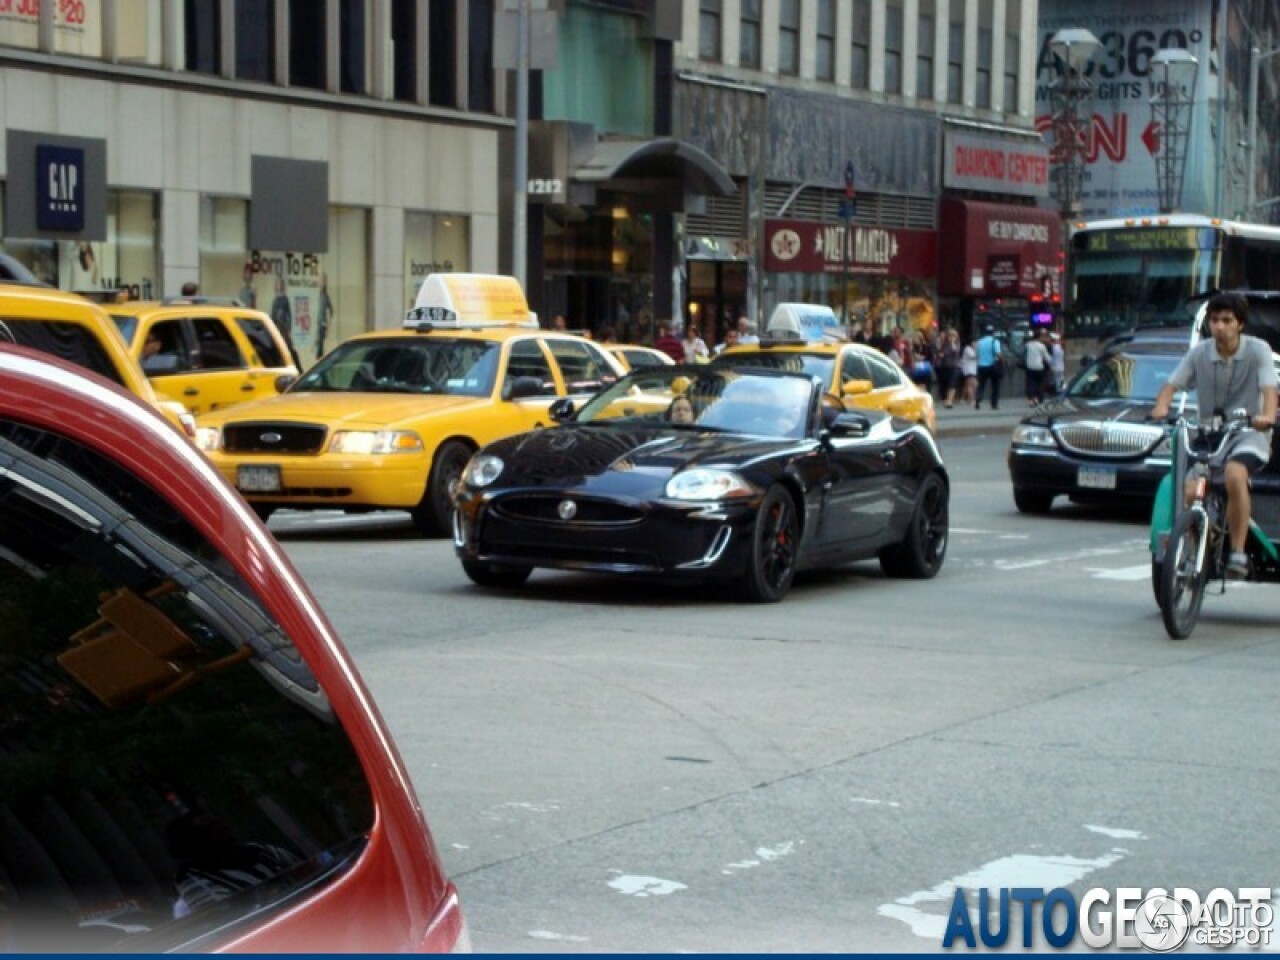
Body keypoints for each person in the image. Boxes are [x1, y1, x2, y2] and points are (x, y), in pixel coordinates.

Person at [1150, 292, 1278, 579]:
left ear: (1240, 324)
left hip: (1248, 434)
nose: (1219, 326)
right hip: (1209, 433)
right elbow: (1172, 384)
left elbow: (1270, 390)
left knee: (1234, 474)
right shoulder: (1200, 353)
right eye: (1214, 320)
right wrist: (1161, 406)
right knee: (1186, 488)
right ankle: (1195, 545)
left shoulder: (1258, 350)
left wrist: (1267, 416)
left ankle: (1238, 552)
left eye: (1226, 320)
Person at [974, 324, 1003, 410]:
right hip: (992, 366)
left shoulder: (979, 342)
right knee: (995, 386)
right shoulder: (995, 341)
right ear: (993, 332)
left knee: (981, 385)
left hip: (981, 366)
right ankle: (994, 404)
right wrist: (1001, 361)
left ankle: (978, 399)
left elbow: (977, 354)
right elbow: (998, 354)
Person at [1023, 328, 1052, 404]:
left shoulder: (1028, 345)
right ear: (1039, 337)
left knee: (1031, 383)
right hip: (1039, 367)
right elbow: (1047, 358)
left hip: (1030, 367)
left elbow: (1023, 353)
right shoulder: (1041, 346)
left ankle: (1032, 399)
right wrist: (1051, 362)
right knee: (1040, 384)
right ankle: (1038, 398)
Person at [937, 328, 962, 408]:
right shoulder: (944, 344)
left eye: (954, 335)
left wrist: (952, 342)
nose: (952, 337)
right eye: (950, 335)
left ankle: (949, 401)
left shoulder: (956, 343)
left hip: (955, 367)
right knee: (946, 384)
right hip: (945, 366)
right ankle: (946, 399)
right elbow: (939, 352)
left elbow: (955, 351)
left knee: (952, 383)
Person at [315, 271, 333, 361]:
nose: (319, 282)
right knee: (318, 347)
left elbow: (331, 311)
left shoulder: (325, 296)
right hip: (319, 324)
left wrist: (327, 326)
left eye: (321, 280)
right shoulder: (320, 295)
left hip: (322, 325)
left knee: (319, 350)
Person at [960, 336, 979, 406]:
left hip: (972, 369)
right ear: (971, 342)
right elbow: (974, 356)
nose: (976, 344)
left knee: (967, 385)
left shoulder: (973, 349)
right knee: (972, 385)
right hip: (969, 369)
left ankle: (962, 399)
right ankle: (972, 400)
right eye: (975, 342)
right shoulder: (967, 349)